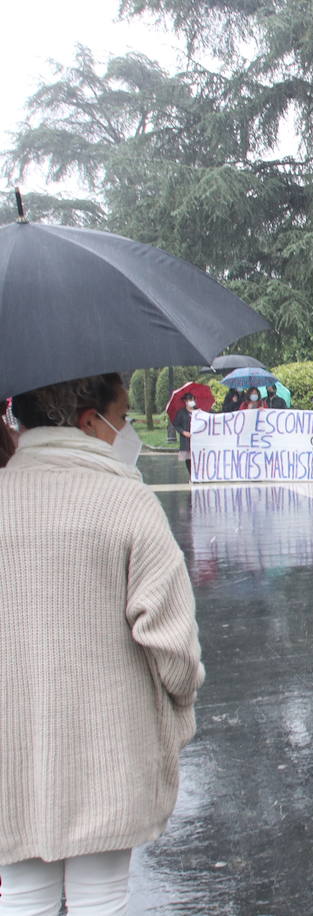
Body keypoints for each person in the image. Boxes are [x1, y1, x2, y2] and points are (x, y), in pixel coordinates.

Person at [1, 373, 204, 913]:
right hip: (107, 743)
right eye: (125, 415)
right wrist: (181, 700)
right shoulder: (123, 499)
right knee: (101, 898)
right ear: (91, 420)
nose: (129, 429)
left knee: (21, 895)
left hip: (9, 743)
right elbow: (172, 644)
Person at [172, 391, 197, 475]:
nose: (191, 401)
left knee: (197, 458)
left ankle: (197, 474)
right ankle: (191, 475)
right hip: (186, 440)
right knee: (189, 458)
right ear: (185, 402)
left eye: (193, 399)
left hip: (196, 439)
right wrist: (183, 432)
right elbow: (176, 425)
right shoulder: (181, 413)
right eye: (189, 400)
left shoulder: (198, 412)